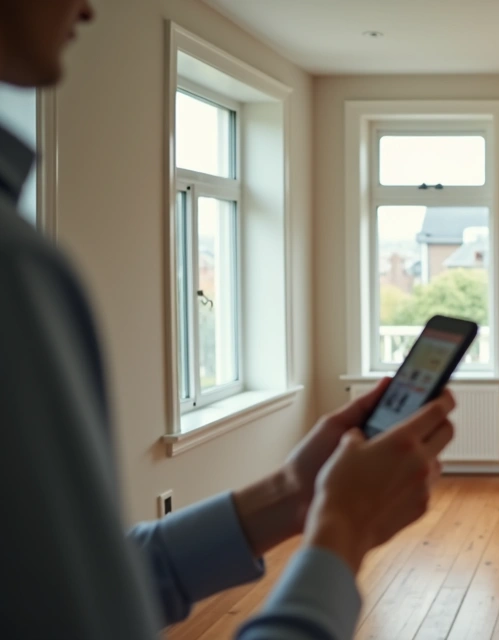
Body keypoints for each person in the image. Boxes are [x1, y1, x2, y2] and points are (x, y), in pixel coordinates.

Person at [0, 1, 456, 638]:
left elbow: (80, 589)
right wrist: (342, 531)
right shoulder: (15, 269)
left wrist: (290, 493)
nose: (89, 7)